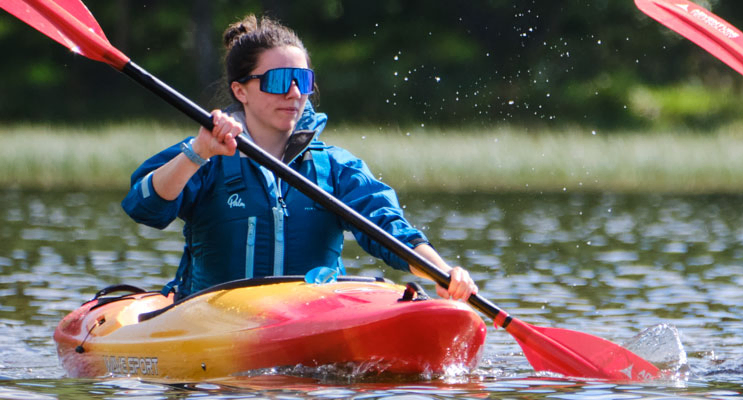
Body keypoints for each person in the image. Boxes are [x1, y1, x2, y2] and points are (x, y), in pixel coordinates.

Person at [120, 15, 477, 300]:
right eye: (278, 80)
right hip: (215, 317)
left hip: (308, 315)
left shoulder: (335, 167)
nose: (293, 92)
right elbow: (144, 206)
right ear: (240, 90)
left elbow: (388, 227)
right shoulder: (206, 151)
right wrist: (197, 154)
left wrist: (442, 272)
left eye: (302, 80)